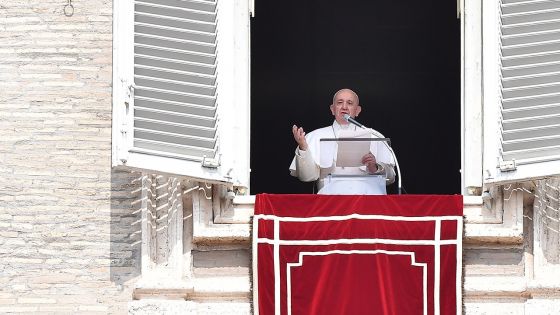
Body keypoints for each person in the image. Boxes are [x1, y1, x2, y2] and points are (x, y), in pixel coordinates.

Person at [289, 88, 396, 194]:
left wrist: (375, 167)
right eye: (340, 103)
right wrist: (303, 147)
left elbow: (390, 179)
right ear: (332, 109)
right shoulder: (315, 136)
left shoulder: (375, 136)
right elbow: (307, 177)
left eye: (349, 103)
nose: (344, 107)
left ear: (357, 110)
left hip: (368, 204)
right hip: (330, 203)